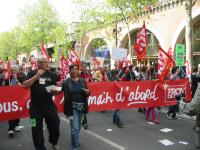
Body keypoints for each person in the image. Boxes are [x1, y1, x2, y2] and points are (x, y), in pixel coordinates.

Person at [22, 56, 60, 150]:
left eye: (48, 62)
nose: (47, 64)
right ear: (38, 63)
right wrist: (36, 77)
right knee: (35, 128)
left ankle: (53, 141)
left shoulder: (51, 74)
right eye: (44, 62)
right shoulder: (32, 72)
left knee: (55, 125)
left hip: (49, 105)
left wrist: (56, 91)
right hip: (35, 108)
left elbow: (54, 88)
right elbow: (24, 85)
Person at [62, 64, 90, 150]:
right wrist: (53, 89)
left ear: (78, 71)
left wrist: (87, 91)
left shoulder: (82, 81)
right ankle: (74, 147)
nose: (74, 71)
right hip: (72, 108)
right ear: (69, 71)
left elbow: (88, 93)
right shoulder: (66, 82)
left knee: (78, 127)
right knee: (74, 128)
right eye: (72, 69)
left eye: (75, 69)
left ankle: (75, 140)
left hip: (82, 107)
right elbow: (59, 90)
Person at [5, 65, 23, 137]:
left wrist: (16, 80)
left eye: (14, 70)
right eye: (11, 70)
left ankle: (16, 125)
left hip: (18, 98)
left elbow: (22, 87)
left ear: (17, 71)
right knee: (10, 113)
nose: (13, 72)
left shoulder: (21, 77)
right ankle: (10, 129)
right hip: (10, 99)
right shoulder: (7, 79)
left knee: (17, 112)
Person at [79, 62, 92, 129]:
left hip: (86, 94)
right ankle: (84, 122)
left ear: (86, 67)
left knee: (85, 109)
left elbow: (91, 83)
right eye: (81, 66)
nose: (82, 67)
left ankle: (82, 120)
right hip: (79, 94)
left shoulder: (88, 75)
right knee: (82, 108)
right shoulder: (78, 75)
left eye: (83, 66)